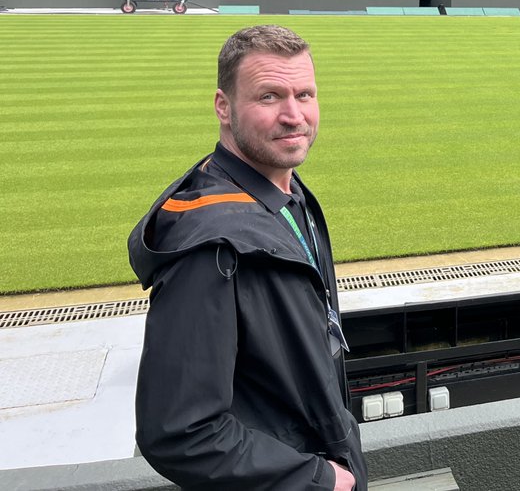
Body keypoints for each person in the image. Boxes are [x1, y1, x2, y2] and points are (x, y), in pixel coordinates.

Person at [129, 25, 365, 491]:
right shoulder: (210, 246)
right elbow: (180, 432)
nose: (294, 115)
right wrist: (322, 480)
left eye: (305, 94)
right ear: (224, 106)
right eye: (269, 97)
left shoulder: (288, 194)